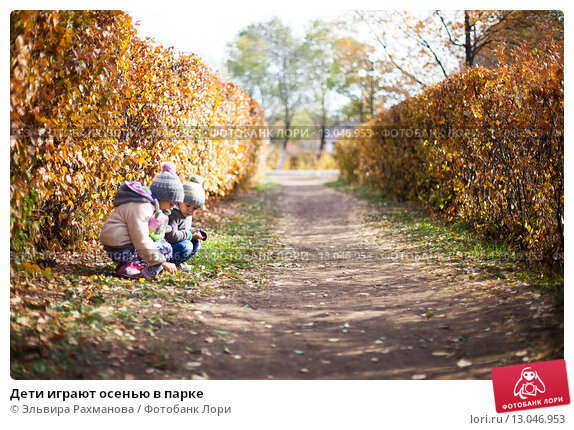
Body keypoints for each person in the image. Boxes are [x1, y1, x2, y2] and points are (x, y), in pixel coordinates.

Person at [100, 162, 185, 279]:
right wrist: (160, 262)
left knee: (164, 246)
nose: (171, 209)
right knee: (165, 249)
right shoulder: (141, 206)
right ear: (162, 196)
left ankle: (133, 265)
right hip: (121, 249)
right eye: (171, 204)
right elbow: (141, 239)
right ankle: (130, 266)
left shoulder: (146, 203)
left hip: (123, 246)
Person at [166, 175, 208, 269]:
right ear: (180, 201)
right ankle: (167, 262)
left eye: (194, 208)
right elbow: (171, 237)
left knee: (196, 243)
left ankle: (178, 262)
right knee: (186, 245)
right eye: (188, 205)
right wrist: (189, 234)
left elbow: (184, 229)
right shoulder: (173, 214)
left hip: (177, 242)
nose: (190, 210)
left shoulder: (187, 214)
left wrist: (195, 232)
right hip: (167, 247)